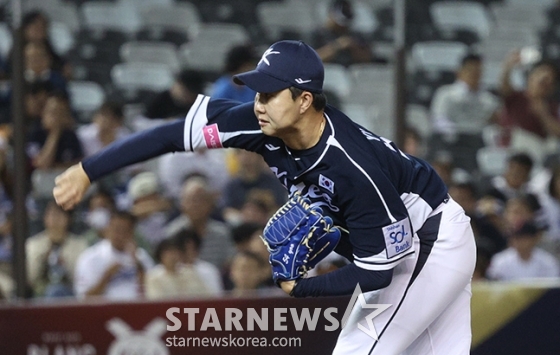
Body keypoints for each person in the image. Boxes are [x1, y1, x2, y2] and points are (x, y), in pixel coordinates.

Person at [54, 40, 476, 354]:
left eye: (270, 94)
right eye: (257, 92)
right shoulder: (261, 124)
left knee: (356, 349)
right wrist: (88, 169)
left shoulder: (351, 167)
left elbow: (379, 273)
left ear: (305, 99)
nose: (258, 103)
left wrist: (303, 288)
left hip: (427, 243)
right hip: (409, 236)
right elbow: (172, 134)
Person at [429, 54, 500, 172]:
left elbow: (493, 125)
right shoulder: (445, 94)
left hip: (477, 143)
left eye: (478, 71)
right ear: (459, 72)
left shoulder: (489, 100)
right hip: (452, 141)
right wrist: (457, 132)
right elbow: (439, 120)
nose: (474, 75)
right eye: (470, 70)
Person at [74, 211, 154, 300]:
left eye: (125, 230)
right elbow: (84, 298)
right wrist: (107, 276)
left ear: (132, 233)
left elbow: (154, 292)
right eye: (116, 230)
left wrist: (138, 266)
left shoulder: (141, 256)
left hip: (137, 309)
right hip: (105, 311)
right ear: (107, 230)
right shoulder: (91, 258)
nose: (120, 235)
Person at [26, 201, 87, 297]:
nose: (55, 219)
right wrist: (42, 261)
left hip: (70, 292)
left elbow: (83, 280)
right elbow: (28, 279)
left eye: (59, 215)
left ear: (68, 219)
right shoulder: (33, 244)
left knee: (56, 291)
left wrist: (66, 264)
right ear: (45, 218)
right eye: (51, 215)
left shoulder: (80, 244)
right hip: (38, 294)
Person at [500, 53, 559, 143]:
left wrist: (543, 115)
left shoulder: (551, 107)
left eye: (546, 84)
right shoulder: (517, 97)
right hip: (514, 145)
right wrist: (508, 67)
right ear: (531, 77)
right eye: (539, 78)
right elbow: (504, 87)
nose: (541, 84)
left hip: (539, 148)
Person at [487, 221, 560, 281]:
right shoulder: (500, 260)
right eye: (516, 238)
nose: (519, 242)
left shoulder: (548, 262)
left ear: (534, 238)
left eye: (523, 238)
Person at [310, 0, 374, 67]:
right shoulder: (317, 34)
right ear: (331, 14)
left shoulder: (356, 35)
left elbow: (368, 59)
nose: (343, 26)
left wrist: (354, 47)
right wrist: (337, 46)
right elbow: (311, 60)